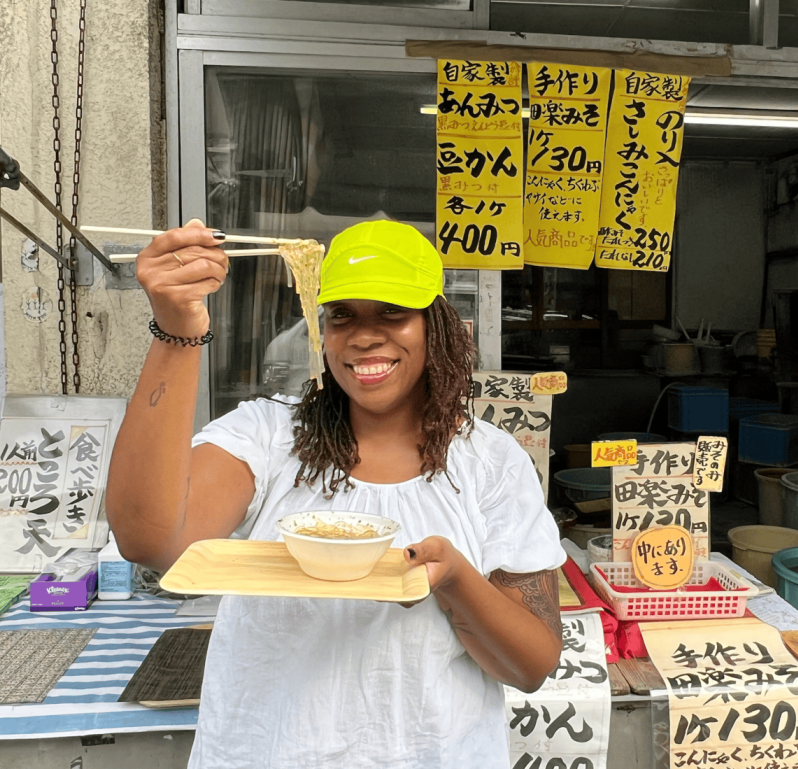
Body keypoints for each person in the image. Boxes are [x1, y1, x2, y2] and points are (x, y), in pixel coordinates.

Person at [105, 219, 567, 768]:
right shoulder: (267, 437)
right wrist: (178, 331)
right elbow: (150, 540)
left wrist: (456, 579)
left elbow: (532, 665)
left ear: (436, 326)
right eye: (342, 314)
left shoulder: (489, 461)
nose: (365, 335)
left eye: (393, 312)